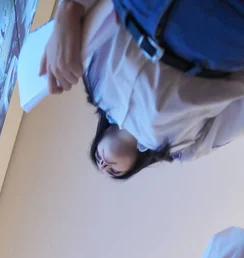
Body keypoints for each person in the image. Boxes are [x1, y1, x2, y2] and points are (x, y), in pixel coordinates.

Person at [39, 0, 244, 180]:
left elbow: (100, 11)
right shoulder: (183, 149)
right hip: (222, 37)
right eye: (112, 172)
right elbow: (238, 115)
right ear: (134, 167)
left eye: (97, 158)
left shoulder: (95, 83)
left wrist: (68, 8)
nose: (103, 165)